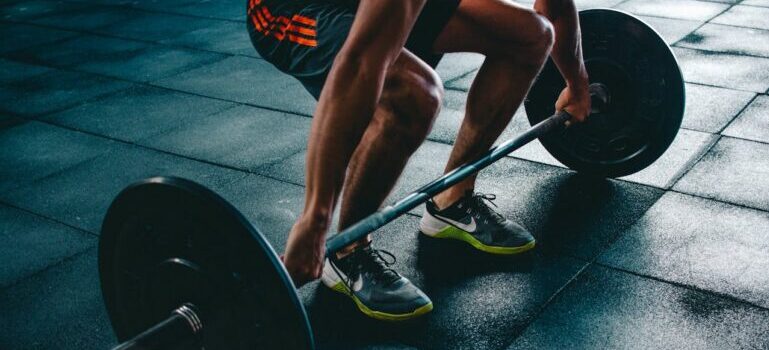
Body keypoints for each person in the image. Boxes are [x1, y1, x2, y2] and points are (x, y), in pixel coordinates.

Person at [247, 0, 590, 321]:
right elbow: (361, 64)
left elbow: (554, 8)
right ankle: (348, 252)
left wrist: (576, 82)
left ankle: (451, 200)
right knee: (414, 94)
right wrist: (315, 219)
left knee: (530, 36)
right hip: (293, 8)